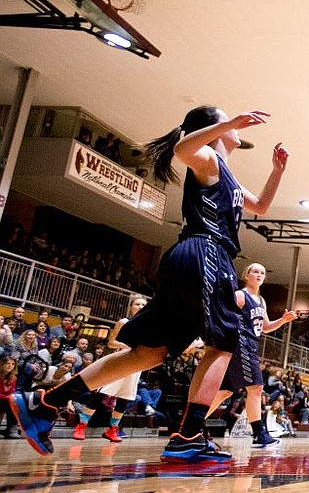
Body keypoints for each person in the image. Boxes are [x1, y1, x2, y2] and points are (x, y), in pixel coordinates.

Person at [9, 106, 287, 463]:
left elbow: (262, 206)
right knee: (224, 343)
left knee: (149, 352)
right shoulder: (206, 160)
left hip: (193, 257)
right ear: (213, 129)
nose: (235, 129)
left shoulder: (226, 174)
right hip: (206, 251)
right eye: (226, 122)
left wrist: (277, 172)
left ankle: (45, 403)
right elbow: (182, 151)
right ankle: (188, 435)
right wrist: (229, 123)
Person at [207, 262, 296, 449]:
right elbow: (221, 316)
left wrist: (284, 320)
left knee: (225, 392)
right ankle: (259, 434)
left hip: (252, 345)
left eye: (262, 272)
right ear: (246, 275)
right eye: (255, 271)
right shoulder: (240, 295)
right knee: (256, 387)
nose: (259, 275)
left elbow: (265, 327)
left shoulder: (261, 300)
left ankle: (191, 424)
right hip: (240, 344)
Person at [71, 294, 149, 442]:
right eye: (137, 304)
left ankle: (112, 429)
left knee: (124, 398)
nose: (140, 307)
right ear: (131, 307)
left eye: (143, 305)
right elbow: (111, 343)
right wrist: (126, 346)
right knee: (102, 394)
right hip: (121, 360)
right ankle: (81, 426)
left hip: (137, 364)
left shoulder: (148, 326)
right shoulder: (124, 322)